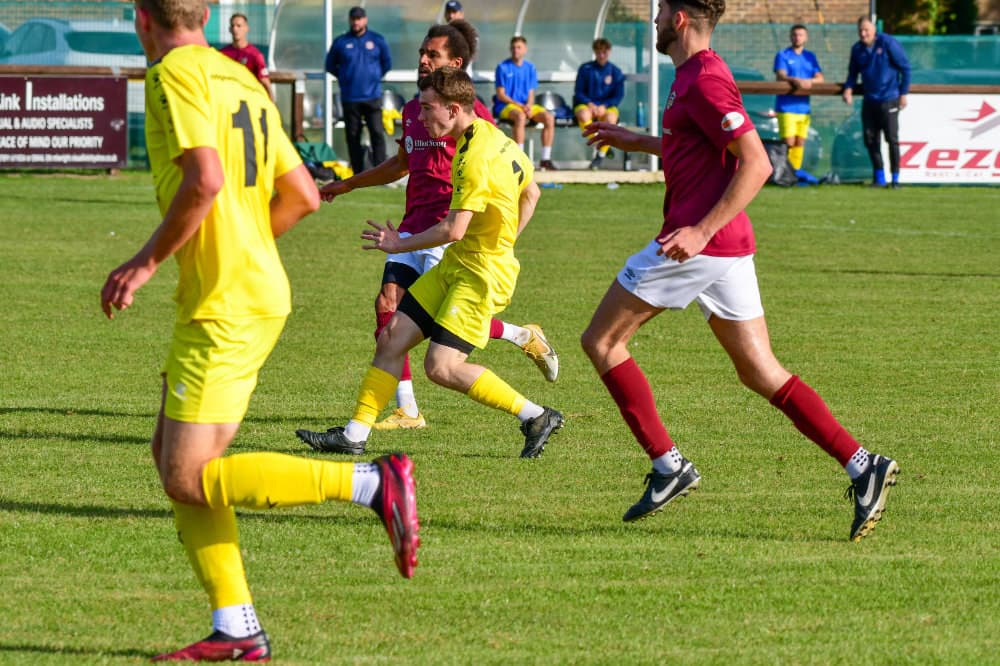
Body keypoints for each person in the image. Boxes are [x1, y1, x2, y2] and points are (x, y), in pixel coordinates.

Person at [101, 0, 419, 660]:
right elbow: (301, 195)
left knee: (188, 475)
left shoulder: (172, 73)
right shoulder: (241, 77)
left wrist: (145, 262)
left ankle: (370, 483)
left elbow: (205, 180)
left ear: (141, 19)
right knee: (170, 458)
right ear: (208, 14)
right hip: (247, 289)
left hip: (226, 303)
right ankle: (236, 626)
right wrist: (243, 245)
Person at [581, 0, 898, 541]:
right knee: (760, 371)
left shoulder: (704, 78)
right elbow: (698, 147)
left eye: (661, 11)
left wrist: (701, 231)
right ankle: (862, 464)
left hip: (698, 243)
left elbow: (757, 162)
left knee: (602, 341)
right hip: (724, 246)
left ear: (680, 19)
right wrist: (640, 141)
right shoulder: (695, 74)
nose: (655, 18)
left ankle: (668, 466)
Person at [296, 66, 564, 459]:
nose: (420, 118)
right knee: (392, 337)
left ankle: (536, 416)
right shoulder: (497, 138)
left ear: (453, 109)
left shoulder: (473, 158)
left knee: (441, 367)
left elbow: (454, 229)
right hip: (459, 263)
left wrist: (398, 243)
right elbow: (532, 194)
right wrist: (506, 241)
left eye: (427, 108)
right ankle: (354, 435)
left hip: (480, 275)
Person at [842, 16, 911, 188]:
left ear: (874, 30)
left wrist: (903, 93)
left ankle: (895, 179)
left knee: (892, 139)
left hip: (889, 98)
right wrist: (848, 88)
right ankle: (879, 178)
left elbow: (905, 67)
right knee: (871, 140)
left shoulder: (888, 43)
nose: (863, 34)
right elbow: (852, 73)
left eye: (866, 30)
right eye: (860, 30)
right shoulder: (857, 49)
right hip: (869, 100)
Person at [325, 6, 393, 173]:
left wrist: (374, 77)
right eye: (353, 19)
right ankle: (358, 173)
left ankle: (380, 171)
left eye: (359, 18)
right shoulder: (341, 42)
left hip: (372, 96)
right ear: (350, 20)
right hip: (350, 97)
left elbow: (387, 63)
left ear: (365, 20)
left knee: (377, 132)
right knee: (353, 136)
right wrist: (345, 78)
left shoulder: (377, 40)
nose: (356, 22)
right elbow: (330, 65)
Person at [493, 36, 558, 170]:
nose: (515, 50)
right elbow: (501, 95)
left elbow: (531, 94)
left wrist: (528, 105)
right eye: (513, 47)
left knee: (549, 118)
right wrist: (521, 106)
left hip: (525, 106)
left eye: (519, 47)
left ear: (525, 50)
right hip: (506, 106)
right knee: (520, 116)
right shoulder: (502, 67)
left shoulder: (530, 68)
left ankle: (545, 159)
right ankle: (519, 159)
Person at [773, 24, 822, 172]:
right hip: (786, 106)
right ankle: (784, 172)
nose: (797, 38)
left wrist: (809, 82)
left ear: (806, 37)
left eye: (800, 35)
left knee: (800, 142)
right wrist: (794, 80)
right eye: (794, 35)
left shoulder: (810, 57)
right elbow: (780, 74)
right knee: (788, 141)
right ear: (790, 36)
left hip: (804, 108)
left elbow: (820, 78)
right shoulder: (783, 55)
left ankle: (795, 172)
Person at [573, 37, 625, 170]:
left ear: (609, 51)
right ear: (595, 52)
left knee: (611, 119)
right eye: (598, 52)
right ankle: (604, 146)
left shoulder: (616, 72)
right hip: (586, 105)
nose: (601, 55)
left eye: (604, 52)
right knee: (584, 115)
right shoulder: (585, 68)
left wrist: (605, 106)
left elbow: (618, 96)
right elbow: (578, 92)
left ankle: (600, 156)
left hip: (607, 106)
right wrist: (589, 104)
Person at [218, 13, 273, 100]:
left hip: (248, 100)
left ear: (247, 28)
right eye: (233, 26)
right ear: (229, 29)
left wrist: (271, 104)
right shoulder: (222, 54)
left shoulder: (255, 55)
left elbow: (266, 82)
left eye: (239, 26)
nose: (235, 29)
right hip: (228, 100)